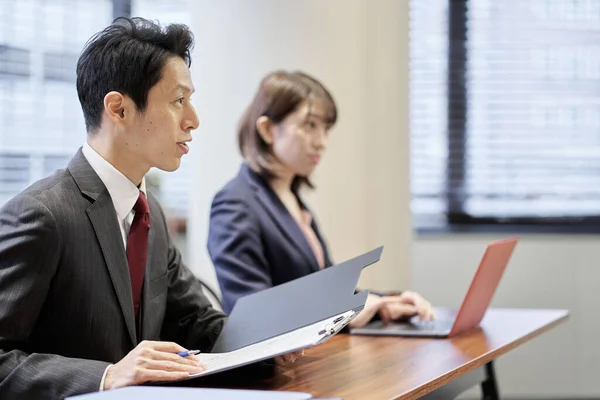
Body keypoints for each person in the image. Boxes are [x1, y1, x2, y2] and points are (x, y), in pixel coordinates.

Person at [0, 17, 301, 399]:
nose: (193, 120)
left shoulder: (149, 211)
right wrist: (106, 376)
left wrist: (272, 344)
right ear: (119, 109)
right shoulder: (42, 214)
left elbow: (194, 321)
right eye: (179, 101)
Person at [208, 71, 435, 329]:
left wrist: (389, 302)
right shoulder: (235, 203)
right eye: (310, 125)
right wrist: (347, 311)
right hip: (278, 365)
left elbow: (326, 288)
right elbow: (249, 310)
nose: (321, 142)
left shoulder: (291, 199)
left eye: (325, 128)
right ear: (268, 129)